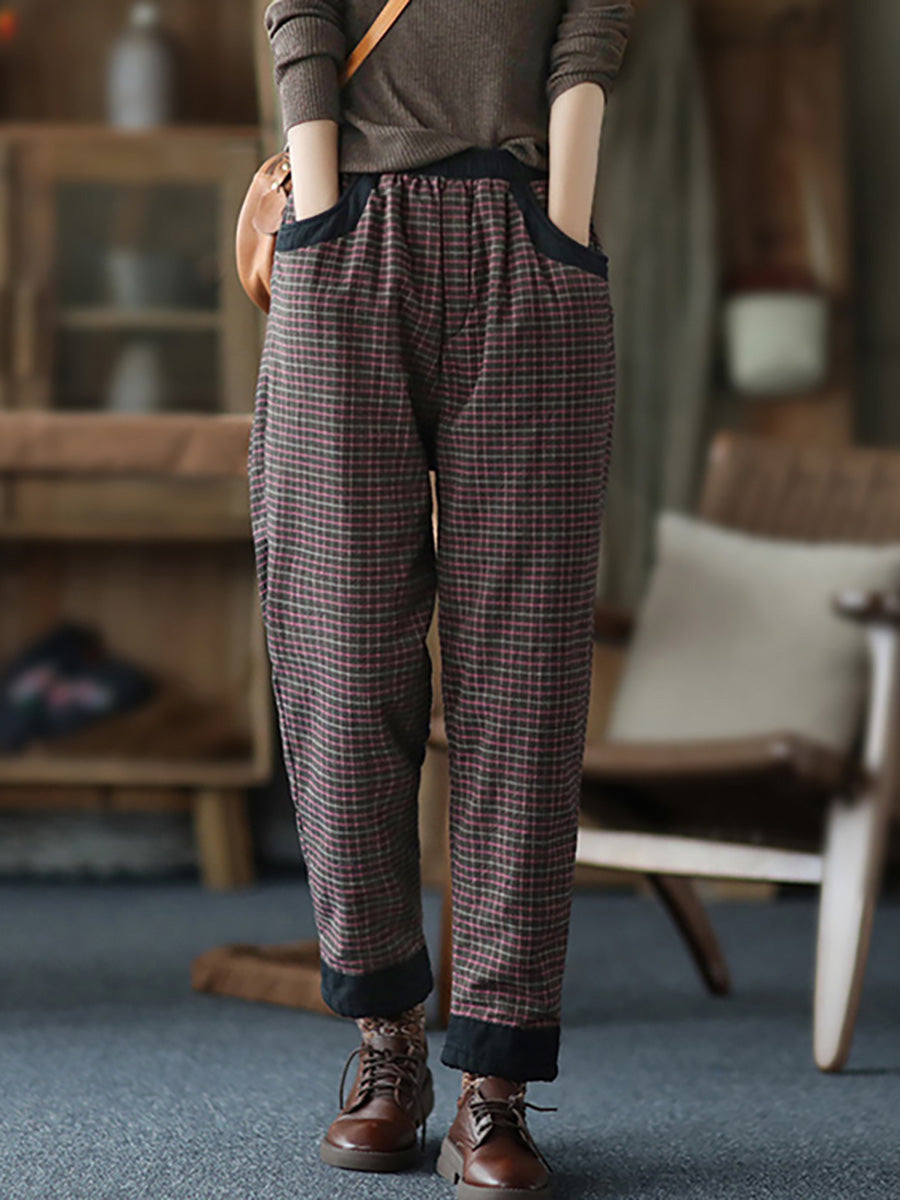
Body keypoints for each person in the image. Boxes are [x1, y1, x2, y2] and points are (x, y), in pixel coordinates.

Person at [251, 2, 633, 1196]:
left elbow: (589, 32)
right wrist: (324, 208)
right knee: (343, 663)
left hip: (529, 239)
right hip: (348, 237)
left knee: (524, 685)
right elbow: (302, 15)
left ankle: (496, 1083)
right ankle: (388, 1043)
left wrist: (563, 221)